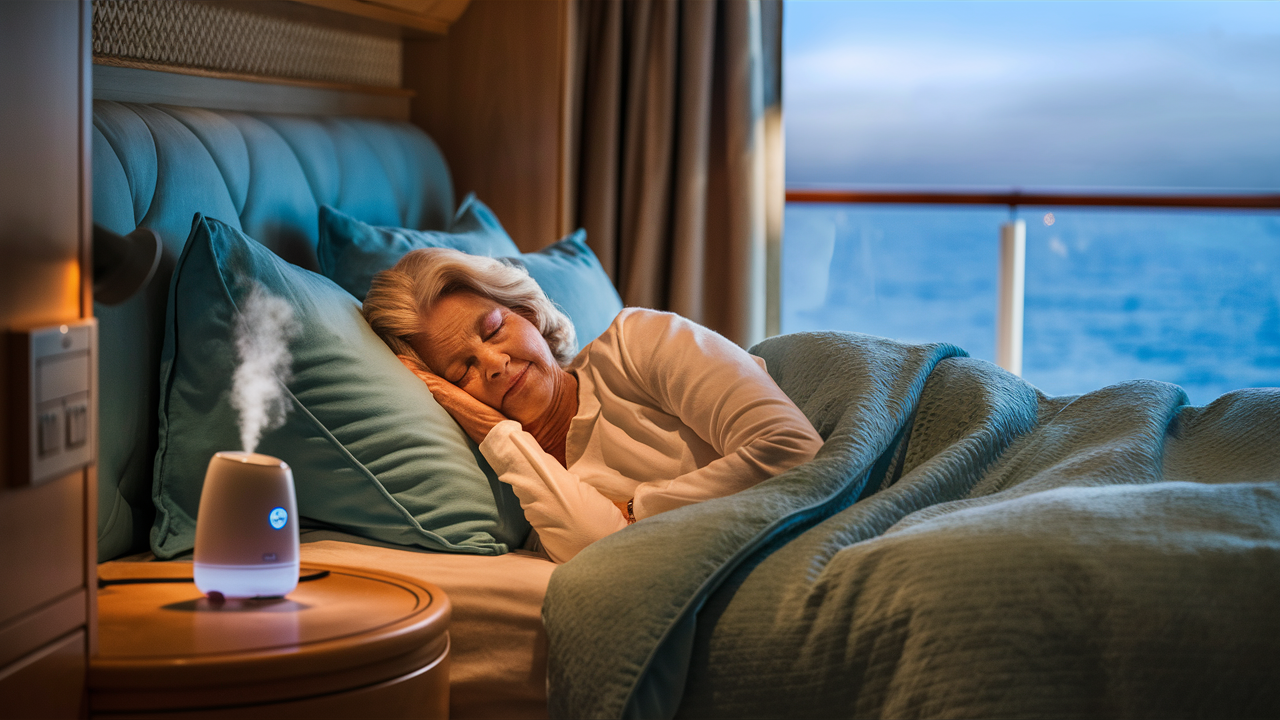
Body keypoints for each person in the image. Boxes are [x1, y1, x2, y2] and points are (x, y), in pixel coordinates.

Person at [363, 248, 823, 563]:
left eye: (494, 329)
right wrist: (498, 434)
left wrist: (636, 514)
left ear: (527, 312)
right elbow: (603, 555)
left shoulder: (638, 342)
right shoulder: (535, 496)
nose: (494, 363)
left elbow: (793, 450)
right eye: (460, 371)